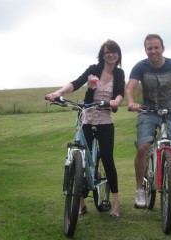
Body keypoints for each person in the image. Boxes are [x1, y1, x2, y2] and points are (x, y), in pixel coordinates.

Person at [46, 39, 125, 217]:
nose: (111, 54)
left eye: (114, 51)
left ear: (118, 55)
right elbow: (76, 82)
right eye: (107, 52)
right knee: (82, 157)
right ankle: (80, 201)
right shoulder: (93, 70)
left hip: (105, 119)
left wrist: (116, 102)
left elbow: (119, 92)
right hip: (87, 117)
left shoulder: (119, 73)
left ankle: (116, 202)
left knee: (107, 159)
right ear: (102, 55)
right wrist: (58, 93)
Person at [126, 34, 171, 213]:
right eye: (149, 48)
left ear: (163, 48)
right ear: (145, 50)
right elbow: (131, 87)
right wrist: (131, 102)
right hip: (147, 112)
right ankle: (139, 190)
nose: (153, 51)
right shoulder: (140, 66)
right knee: (143, 147)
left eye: (156, 47)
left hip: (170, 113)